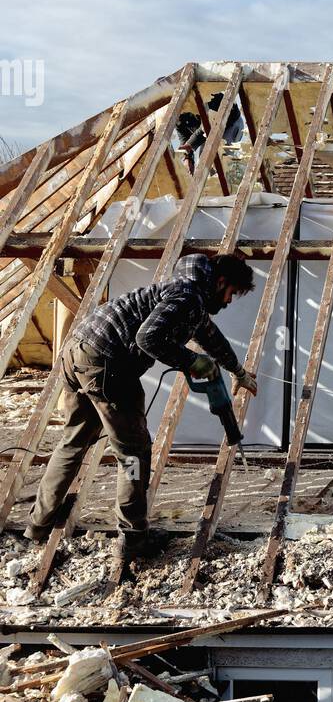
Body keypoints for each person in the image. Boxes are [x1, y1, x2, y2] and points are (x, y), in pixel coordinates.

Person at [26, 253, 259, 567]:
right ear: (220, 281)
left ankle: (38, 524)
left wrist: (238, 372)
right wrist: (191, 360)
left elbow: (211, 337)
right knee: (134, 453)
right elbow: (147, 338)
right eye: (232, 293)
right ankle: (134, 537)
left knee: (73, 442)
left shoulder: (184, 293)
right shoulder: (188, 297)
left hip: (78, 351)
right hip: (108, 365)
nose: (230, 301)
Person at [175, 92, 244, 175]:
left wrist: (190, 144)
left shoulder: (202, 96)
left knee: (220, 160)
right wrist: (188, 158)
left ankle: (234, 177)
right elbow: (184, 137)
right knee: (203, 164)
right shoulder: (176, 113)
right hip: (207, 131)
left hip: (229, 124)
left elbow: (208, 124)